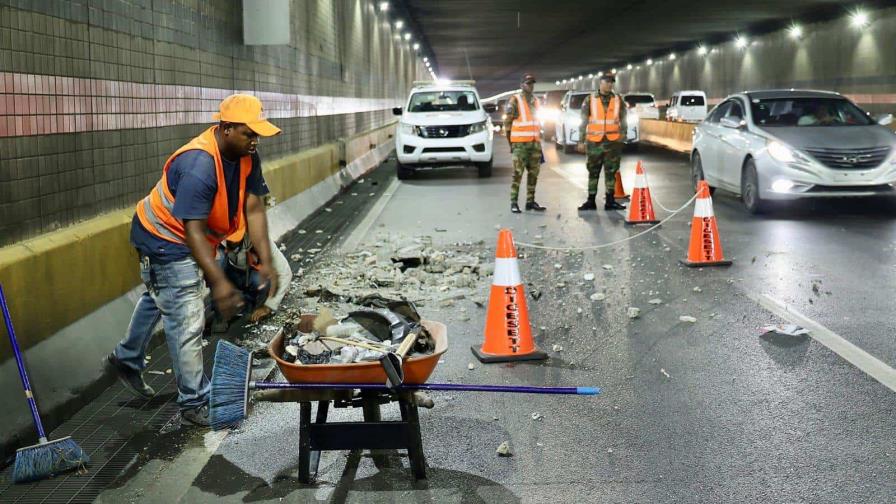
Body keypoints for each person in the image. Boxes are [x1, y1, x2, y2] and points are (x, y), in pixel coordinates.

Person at [103, 94, 280, 426]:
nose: (255, 140)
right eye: (249, 133)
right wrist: (220, 284)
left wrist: (267, 261)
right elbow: (192, 233)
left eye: (257, 134)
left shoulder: (245, 155)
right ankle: (194, 401)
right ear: (226, 128)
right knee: (186, 313)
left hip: (190, 236)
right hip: (164, 238)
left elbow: (254, 207)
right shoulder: (199, 165)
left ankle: (126, 358)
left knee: (163, 292)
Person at [217, 222, 292, 327]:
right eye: (231, 241)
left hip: (251, 276)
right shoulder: (218, 242)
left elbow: (285, 273)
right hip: (231, 275)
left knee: (262, 282)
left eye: (238, 240)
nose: (234, 244)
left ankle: (251, 301)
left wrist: (268, 307)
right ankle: (220, 311)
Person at [577, 74, 628, 211]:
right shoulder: (590, 99)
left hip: (613, 143)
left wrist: (623, 136)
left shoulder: (618, 99)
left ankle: (610, 201)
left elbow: (624, 119)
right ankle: (591, 201)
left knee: (611, 172)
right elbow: (583, 121)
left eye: (612, 82)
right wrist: (581, 140)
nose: (610, 84)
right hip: (595, 143)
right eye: (607, 82)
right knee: (593, 172)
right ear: (600, 83)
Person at [503, 74, 546, 214]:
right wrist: (511, 143)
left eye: (532, 83)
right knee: (517, 174)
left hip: (534, 144)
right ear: (522, 85)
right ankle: (514, 202)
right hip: (520, 144)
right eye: (528, 83)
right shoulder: (515, 100)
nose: (531, 86)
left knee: (534, 174)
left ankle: (530, 201)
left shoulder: (536, 101)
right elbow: (507, 123)